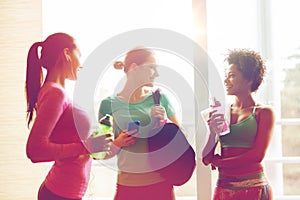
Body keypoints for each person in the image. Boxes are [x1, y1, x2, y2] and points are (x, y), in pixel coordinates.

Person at [25, 32, 112, 200]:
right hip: (60, 194)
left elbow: (68, 140)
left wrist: (92, 143)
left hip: (64, 192)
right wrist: (87, 146)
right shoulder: (55, 94)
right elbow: (34, 151)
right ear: (66, 54)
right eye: (79, 55)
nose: (82, 63)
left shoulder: (56, 92)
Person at [99, 47, 181, 200]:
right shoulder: (107, 105)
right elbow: (100, 153)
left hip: (161, 186)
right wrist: (118, 142)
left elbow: (180, 138)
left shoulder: (160, 98)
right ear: (134, 68)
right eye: (152, 68)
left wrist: (165, 121)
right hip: (127, 187)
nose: (156, 74)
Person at [202, 49, 274, 200]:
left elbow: (256, 156)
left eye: (232, 76)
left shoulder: (264, 113)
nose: (226, 81)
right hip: (223, 188)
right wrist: (212, 132)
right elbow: (206, 158)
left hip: (254, 188)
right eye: (226, 76)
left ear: (249, 79)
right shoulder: (221, 111)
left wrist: (220, 163)